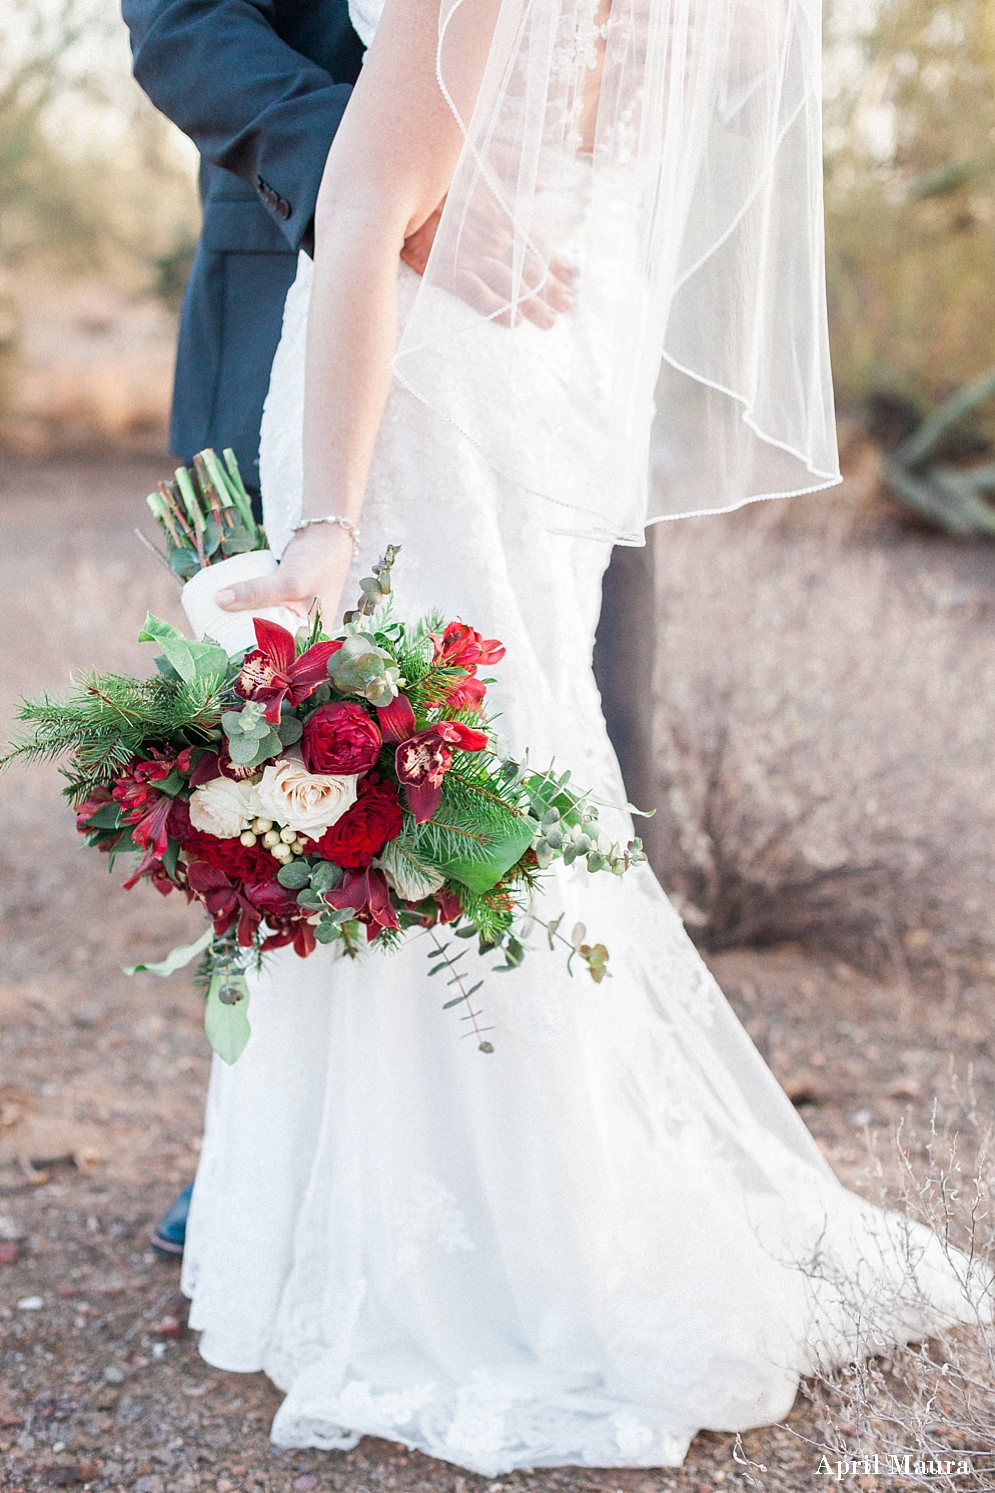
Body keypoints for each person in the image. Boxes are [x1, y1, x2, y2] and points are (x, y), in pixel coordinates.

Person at [166, 0, 983, 1474]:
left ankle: (456, 1243)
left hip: (419, 392)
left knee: (403, 786)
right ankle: (537, 1200)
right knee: (496, 788)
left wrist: (326, 527)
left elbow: (361, 214)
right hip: (551, 375)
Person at [122, 0, 588, 1256]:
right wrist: (381, 177)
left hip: (535, 305)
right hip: (292, 273)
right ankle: (272, 1151)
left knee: (544, 727)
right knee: (280, 744)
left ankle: (549, 1142)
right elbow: (177, 25)